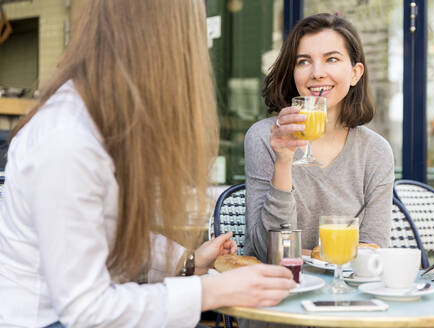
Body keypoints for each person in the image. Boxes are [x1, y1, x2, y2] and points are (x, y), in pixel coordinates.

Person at [0, 1, 296, 327]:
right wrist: (209, 290)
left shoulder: (101, 120)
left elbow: (105, 230)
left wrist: (187, 261)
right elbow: (86, 310)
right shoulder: (68, 139)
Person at [244, 13, 395, 263]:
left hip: (347, 295)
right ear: (293, 72)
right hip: (278, 292)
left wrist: (306, 254)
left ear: (355, 73)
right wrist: (283, 162)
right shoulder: (263, 137)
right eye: (303, 62)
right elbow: (267, 251)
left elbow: (373, 252)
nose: (317, 73)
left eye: (332, 59)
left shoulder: (375, 152)